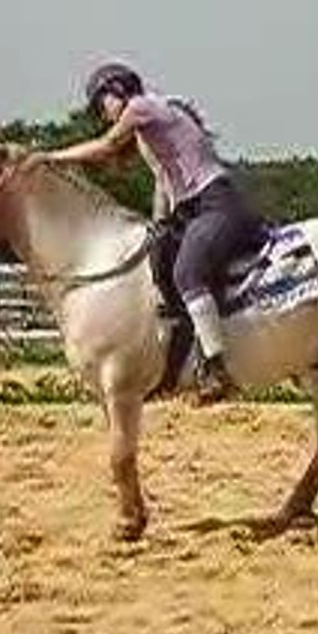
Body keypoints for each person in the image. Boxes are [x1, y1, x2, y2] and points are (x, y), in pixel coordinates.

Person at [46, 62, 262, 404]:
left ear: (117, 90)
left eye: (102, 104)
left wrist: (52, 158)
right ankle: (179, 360)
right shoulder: (153, 124)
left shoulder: (140, 106)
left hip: (215, 204)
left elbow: (106, 146)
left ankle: (217, 369)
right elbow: (164, 182)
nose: (103, 114)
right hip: (193, 209)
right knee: (160, 264)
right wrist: (159, 222)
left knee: (188, 273)